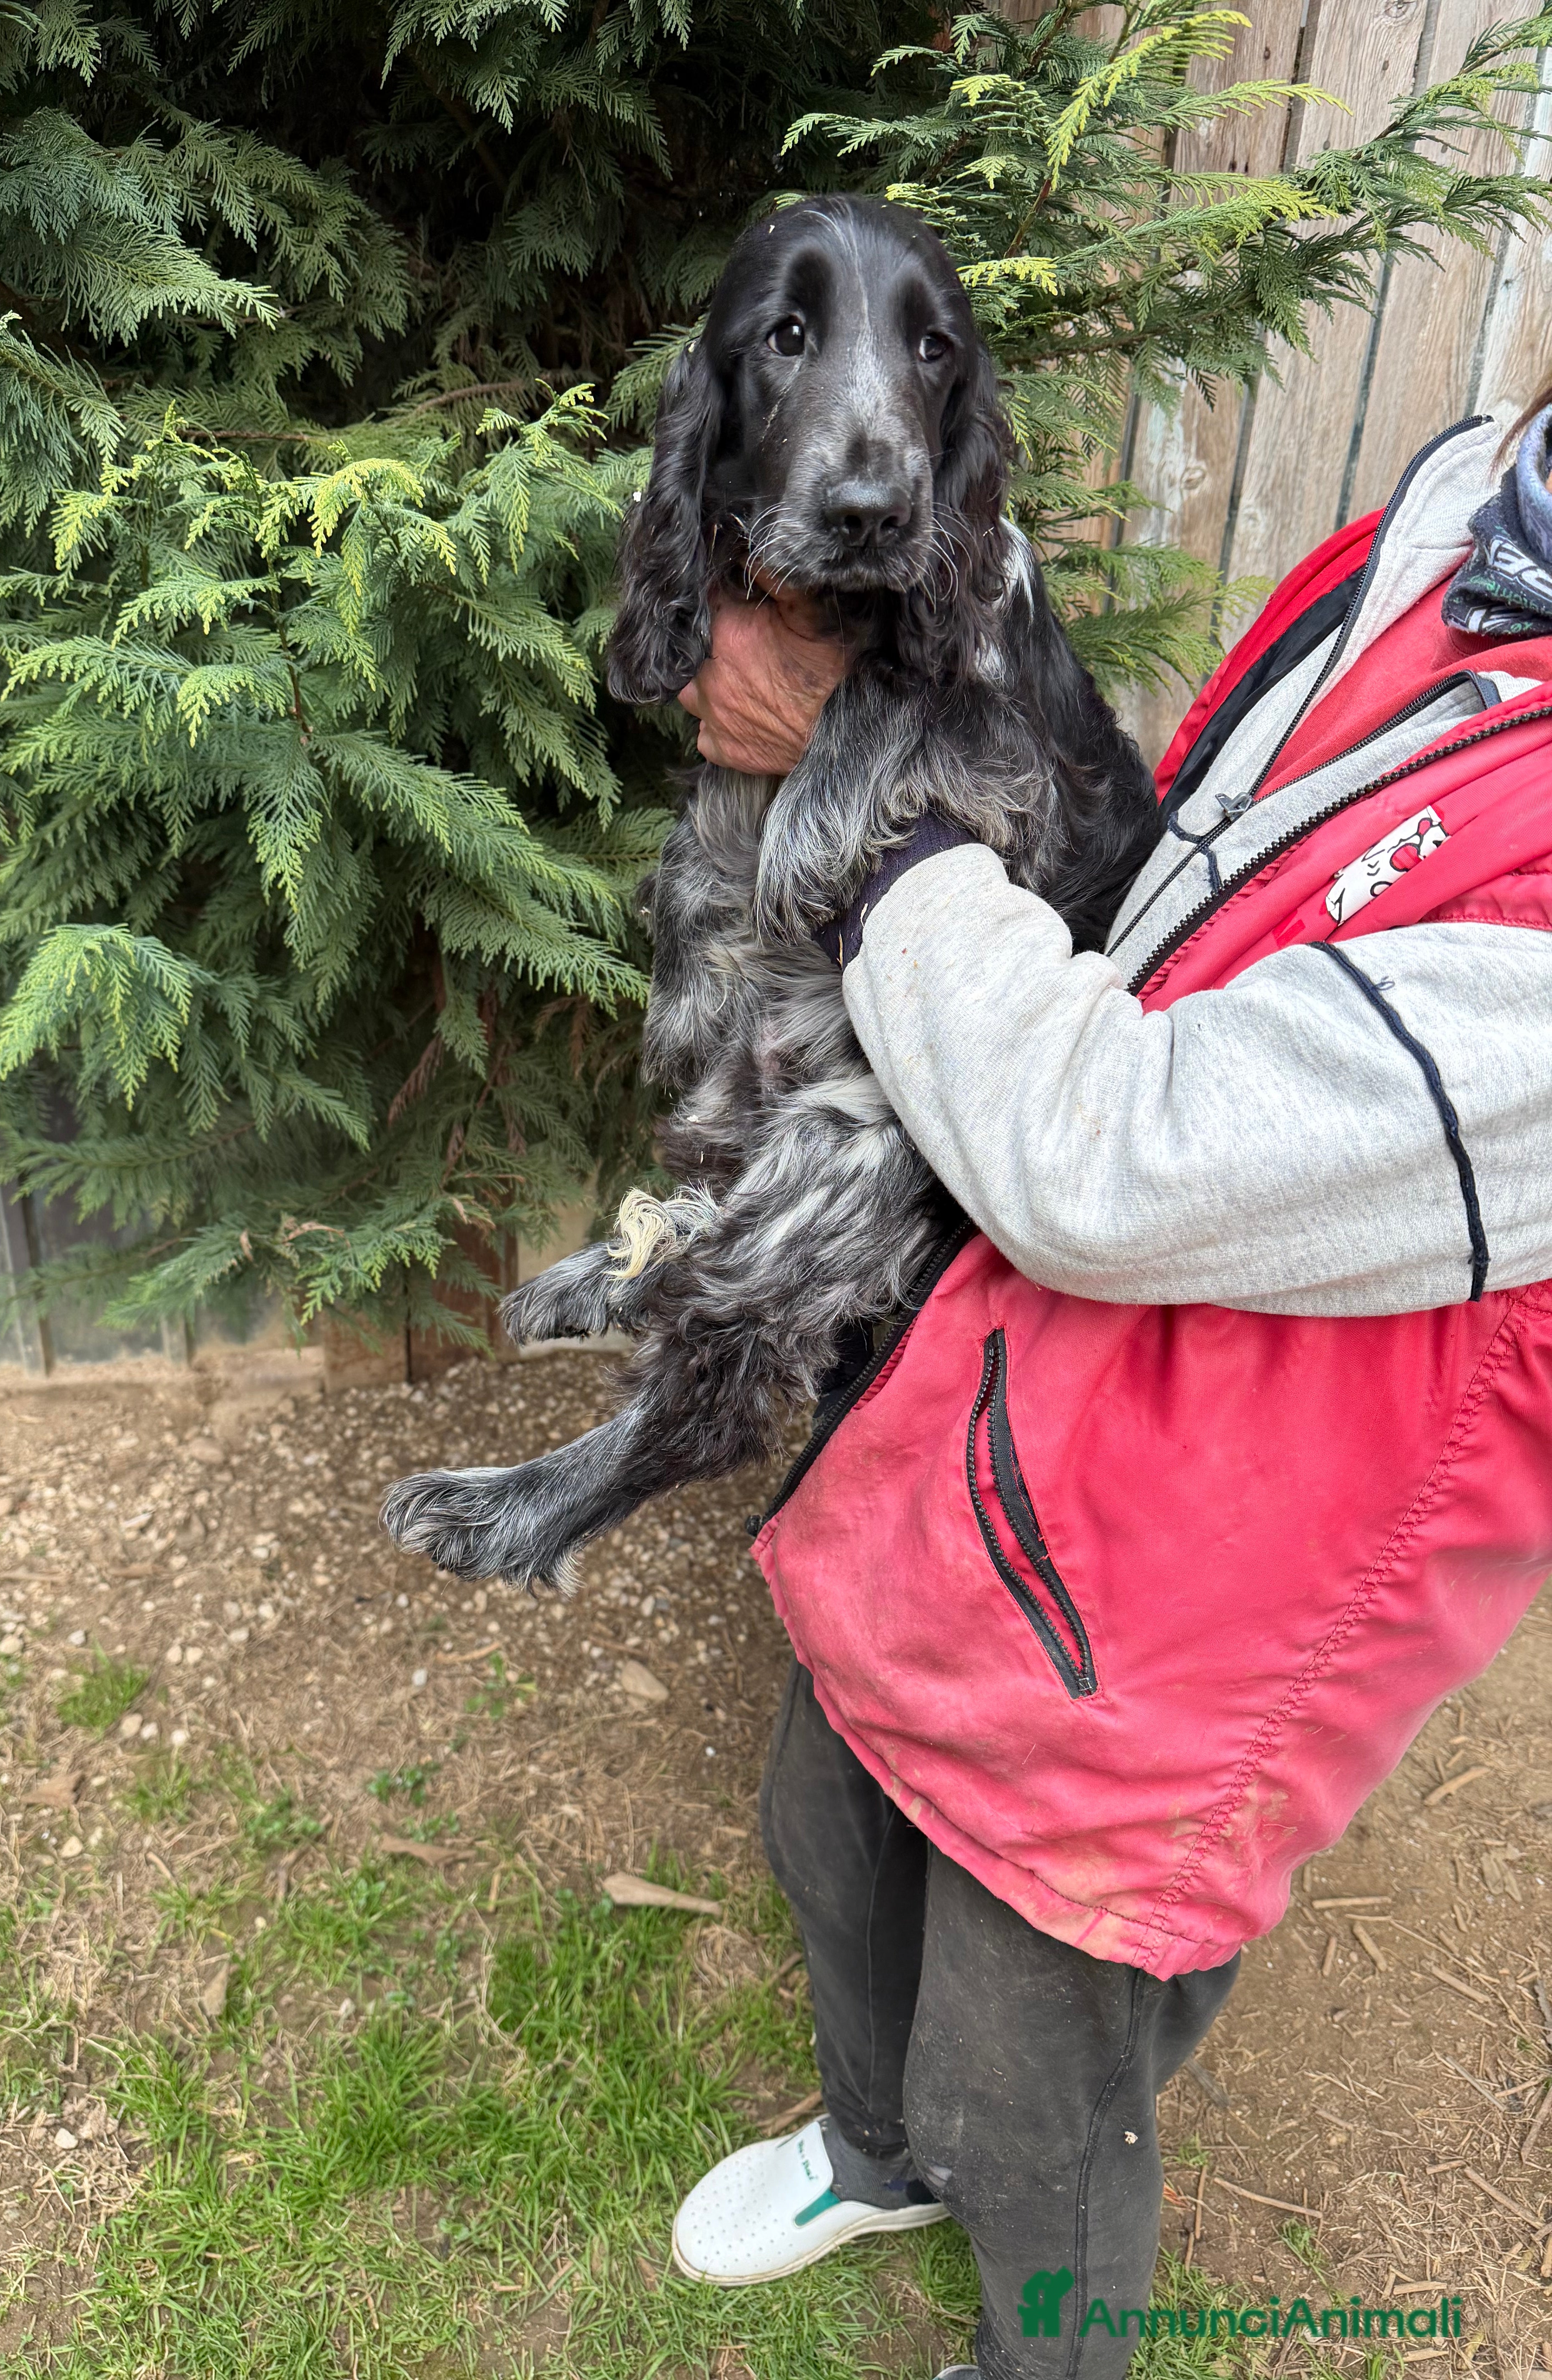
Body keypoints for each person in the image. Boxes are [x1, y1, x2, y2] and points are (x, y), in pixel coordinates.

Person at [662, 396, 1552, 2380]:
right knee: (833, 1817)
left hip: (1223, 1575)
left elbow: (1117, 1159)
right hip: (1018, 1401)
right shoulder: (1493, 499)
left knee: (1032, 2077)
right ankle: (875, 2155)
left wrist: (865, 801)